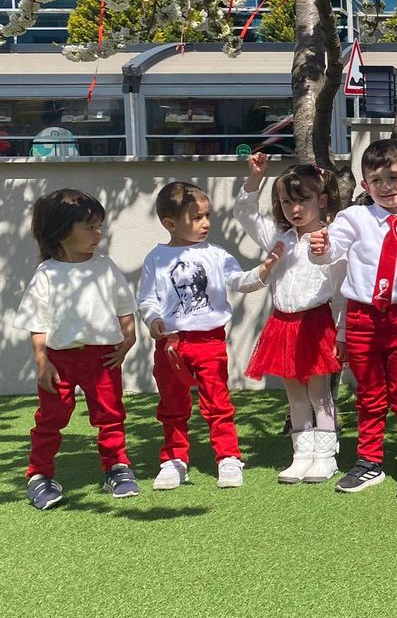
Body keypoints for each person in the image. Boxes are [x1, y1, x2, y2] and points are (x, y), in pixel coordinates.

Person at [310, 139, 397, 498]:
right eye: (377, 180)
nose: (386, 187)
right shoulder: (355, 218)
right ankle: (369, 461)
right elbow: (331, 251)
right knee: (369, 394)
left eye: (393, 178)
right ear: (365, 185)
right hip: (362, 319)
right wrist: (321, 248)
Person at [138, 181, 274, 491]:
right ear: (170, 223)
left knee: (217, 401)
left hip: (209, 342)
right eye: (197, 217)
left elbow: (239, 281)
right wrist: (152, 318)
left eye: (207, 215)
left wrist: (264, 269)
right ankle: (174, 459)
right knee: (172, 404)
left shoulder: (216, 254)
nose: (206, 223)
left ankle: (228, 456)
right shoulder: (156, 258)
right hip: (170, 345)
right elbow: (147, 299)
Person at [14, 189, 139, 509]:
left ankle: (117, 466)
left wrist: (129, 338)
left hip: (103, 357)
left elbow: (124, 306)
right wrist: (42, 361)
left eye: (99, 227)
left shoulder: (105, 266)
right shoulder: (47, 273)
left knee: (111, 414)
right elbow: (37, 322)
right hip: (59, 361)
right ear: (61, 232)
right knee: (51, 418)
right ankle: (39, 474)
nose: (98, 234)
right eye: (90, 227)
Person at [235, 153, 345, 484]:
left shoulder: (332, 239)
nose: (294, 209)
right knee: (294, 394)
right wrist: (255, 179)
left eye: (303, 200)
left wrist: (341, 332)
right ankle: (301, 455)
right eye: (286, 202)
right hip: (282, 324)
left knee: (319, 393)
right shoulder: (278, 237)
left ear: (321, 200)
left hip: (316, 325)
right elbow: (245, 214)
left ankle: (326, 456)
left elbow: (341, 290)